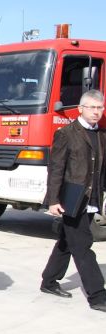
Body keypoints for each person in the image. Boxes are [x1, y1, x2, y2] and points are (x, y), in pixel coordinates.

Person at [40, 89, 106, 311]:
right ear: (81, 109)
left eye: (100, 108)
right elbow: (56, 169)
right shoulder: (66, 133)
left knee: (67, 241)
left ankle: (49, 281)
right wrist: (52, 200)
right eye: (92, 107)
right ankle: (97, 295)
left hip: (92, 197)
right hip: (71, 199)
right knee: (83, 245)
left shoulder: (102, 135)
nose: (96, 112)